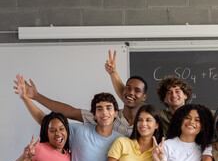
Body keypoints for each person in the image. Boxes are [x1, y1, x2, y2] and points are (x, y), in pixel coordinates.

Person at [18, 52, 148, 136]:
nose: (130, 93)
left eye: (137, 91)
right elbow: (70, 111)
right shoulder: (106, 117)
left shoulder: (147, 122)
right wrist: (36, 96)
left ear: (143, 97)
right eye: (127, 88)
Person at [106, 50, 193, 136]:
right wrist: (113, 73)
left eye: (177, 91)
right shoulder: (159, 115)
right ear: (165, 99)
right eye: (169, 93)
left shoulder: (196, 117)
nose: (174, 95)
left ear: (185, 95)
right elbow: (130, 97)